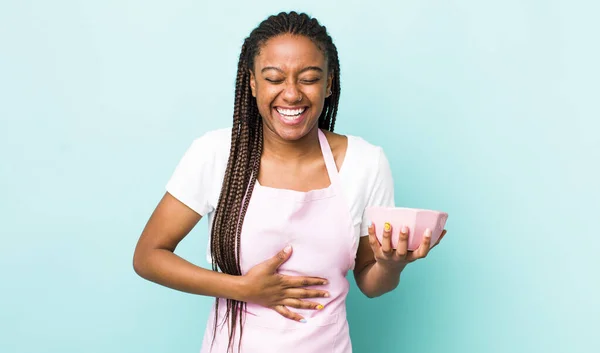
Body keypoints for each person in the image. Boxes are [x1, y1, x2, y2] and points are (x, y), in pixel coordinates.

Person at [133, 11, 446, 353]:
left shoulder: (366, 163)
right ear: (252, 82)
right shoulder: (216, 153)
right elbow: (148, 256)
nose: (292, 94)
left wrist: (390, 265)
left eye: (309, 78)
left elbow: (370, 282)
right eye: (274, 78)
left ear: (329, 83)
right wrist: (243, 289)